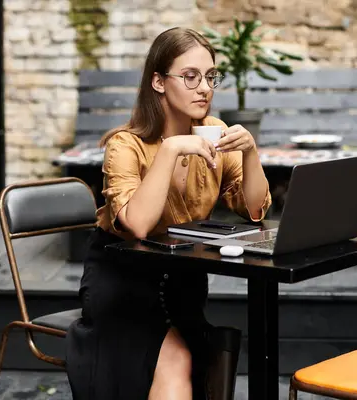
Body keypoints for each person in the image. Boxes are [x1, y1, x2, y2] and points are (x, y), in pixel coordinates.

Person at [66, 26, 272, 399]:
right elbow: (138, 226)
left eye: (210, 77)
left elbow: (254, 209)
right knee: (176, 359)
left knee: (195, 356)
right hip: (122, 282)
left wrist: (251, 153)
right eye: (191, 77)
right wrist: (171, 149)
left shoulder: (215, 132)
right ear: (159, 82)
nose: (205, 88)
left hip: (181, 281)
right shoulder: (124, 145)